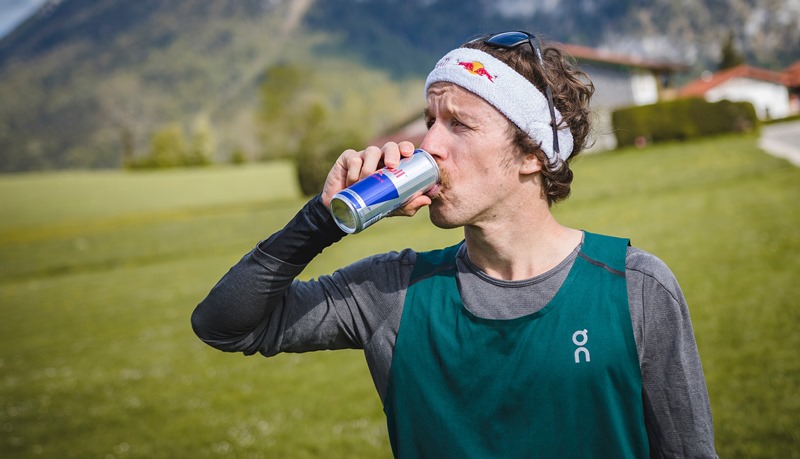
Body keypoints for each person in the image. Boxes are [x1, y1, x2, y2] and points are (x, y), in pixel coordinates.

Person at [192, 31, 717, 458]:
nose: (430, 145)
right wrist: (322, 220)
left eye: (459, 124)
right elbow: (225, 324)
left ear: (533, 153)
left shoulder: (635, 288)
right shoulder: (393, 293)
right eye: (430, 121)